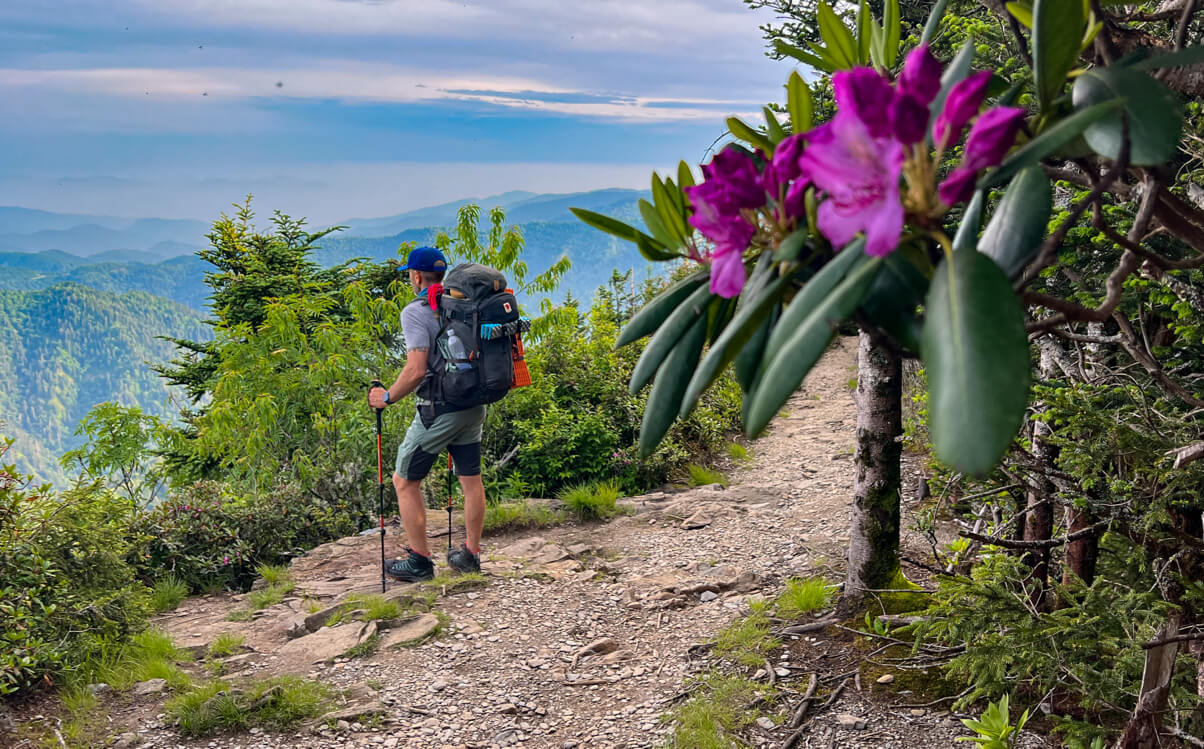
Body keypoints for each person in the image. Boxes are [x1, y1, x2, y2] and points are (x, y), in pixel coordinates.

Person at [368, 246, 485, 581]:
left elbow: (416, 370)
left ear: (416, 276)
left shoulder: (417, 311)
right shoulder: (463, 305)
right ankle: (470, 555)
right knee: (470, 480)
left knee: (404, 481)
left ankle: (419, 561)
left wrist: (386, 397)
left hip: (439, 410)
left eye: (409, 274)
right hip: (474, 406)